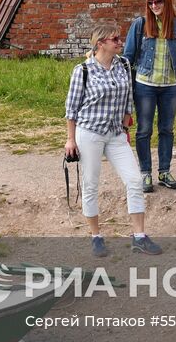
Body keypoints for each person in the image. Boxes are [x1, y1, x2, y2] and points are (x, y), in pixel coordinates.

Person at [64, 24, 162, 257]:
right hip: (90, 133)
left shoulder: (124, 65)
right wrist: (70, 139)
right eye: (115, 39)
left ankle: (139, 237)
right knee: (91, 184)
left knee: (135, 180)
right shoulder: (83, 70)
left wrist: (126, 122)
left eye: (120, 38)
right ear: (101, 44)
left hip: (116, 134)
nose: (120, 42)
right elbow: (71, 108)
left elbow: (129, 97)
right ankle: (96, 237)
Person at [123, 0, 176, 193]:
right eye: (150, 2)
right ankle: (145, 173)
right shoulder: (140, 25)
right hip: (145, 86)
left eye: (158, 1)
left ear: (167, 2)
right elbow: (128, 57)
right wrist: (124, 86)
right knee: (144, 130)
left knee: (166, 130)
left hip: (170, 87)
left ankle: (164, 172)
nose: (154, 6)